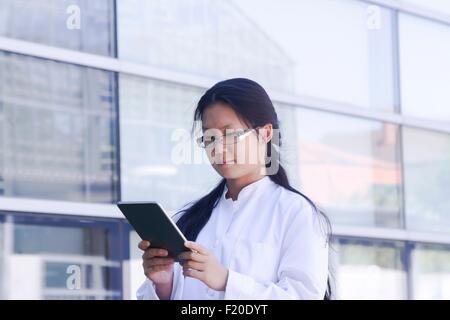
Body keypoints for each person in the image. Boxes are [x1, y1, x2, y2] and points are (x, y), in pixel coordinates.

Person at [137, 78, 332, 300]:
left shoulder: (296, 213)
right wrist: (163, 284)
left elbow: (302, 296)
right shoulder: (188, 218)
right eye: (210, 138)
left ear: (266, 133)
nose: (218, 148)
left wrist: (227, 281)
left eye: (230, 135)